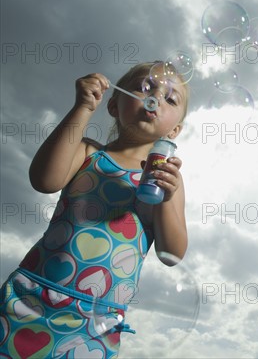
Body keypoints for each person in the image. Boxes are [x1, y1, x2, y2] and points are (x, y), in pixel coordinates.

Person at [0, 61, 189, 358]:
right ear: (114, 105)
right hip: (32, 296)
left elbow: (173, 253)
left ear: (175, 130)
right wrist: (83, 108)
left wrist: (167, 197)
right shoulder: (88, 152)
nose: (155, 98)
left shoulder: (166, 182)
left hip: (96, 321)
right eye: (145, 87)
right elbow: (44, 180)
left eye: (170, 98)